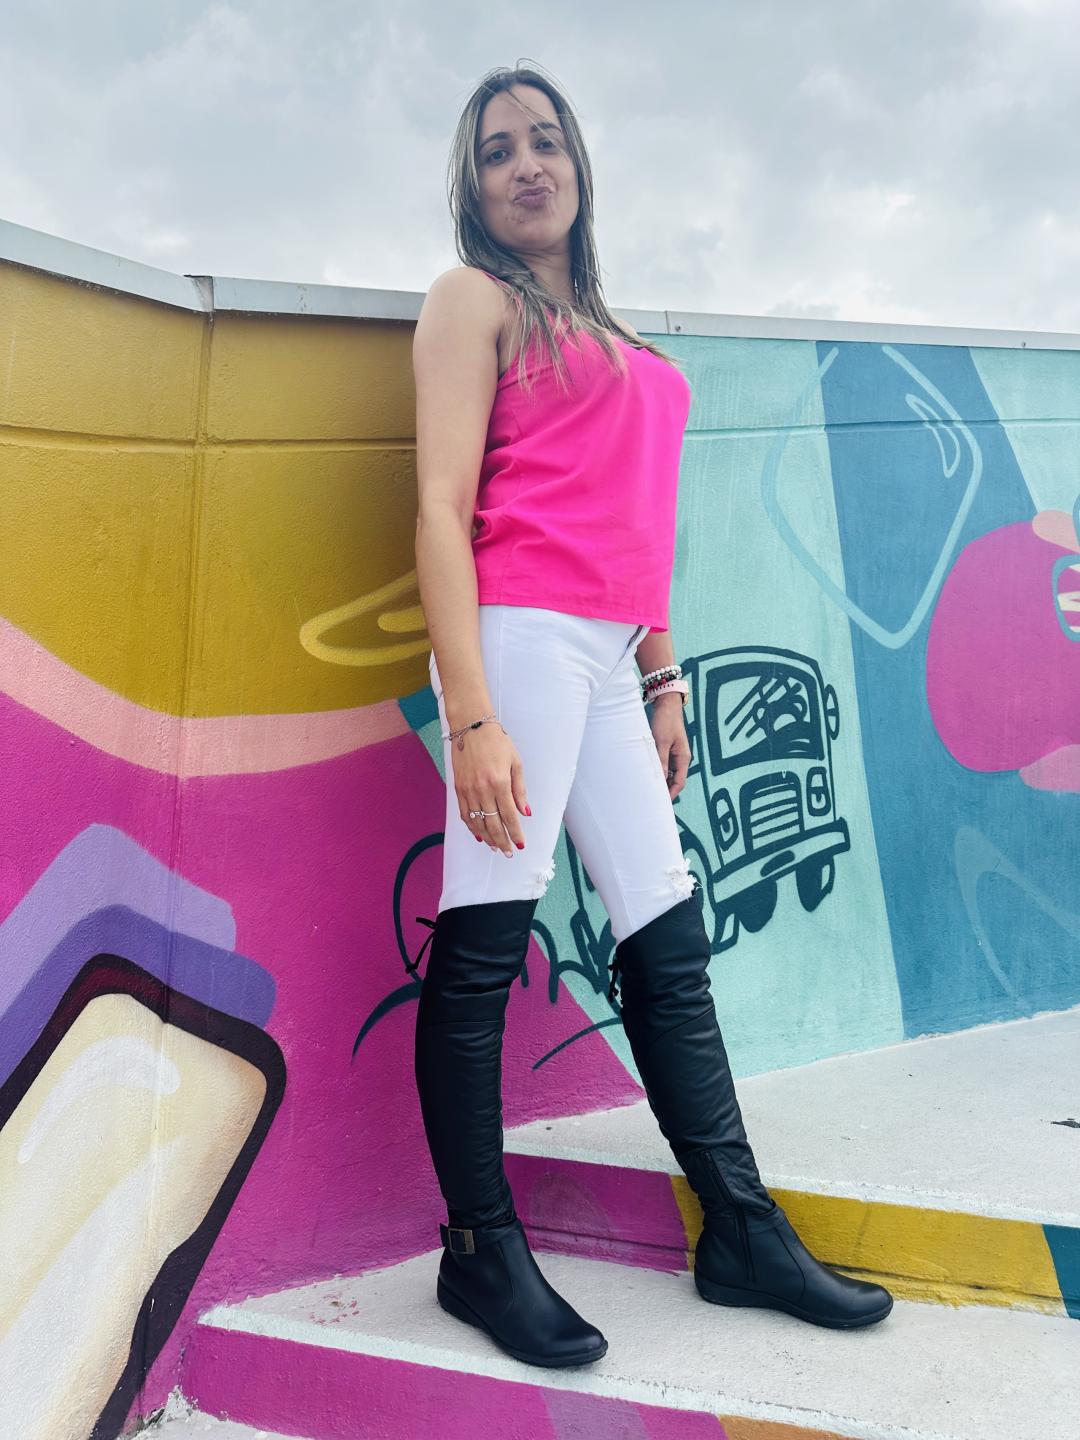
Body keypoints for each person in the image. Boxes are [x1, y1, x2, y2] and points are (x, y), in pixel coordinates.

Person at [412, 61, 894, 1370]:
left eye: (545, 141)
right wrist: (472, 717)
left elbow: (638, 529)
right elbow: (441, 509)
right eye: (497, 150)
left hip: (612, 655)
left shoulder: (625, 347)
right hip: (517, 637)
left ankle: (738, 1229)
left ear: (579, 163)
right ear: (472, 187)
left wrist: (664, 677)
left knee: (667, 936)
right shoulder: (472, 301)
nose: (526, 165)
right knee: (485, 934)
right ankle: (479, 1251)